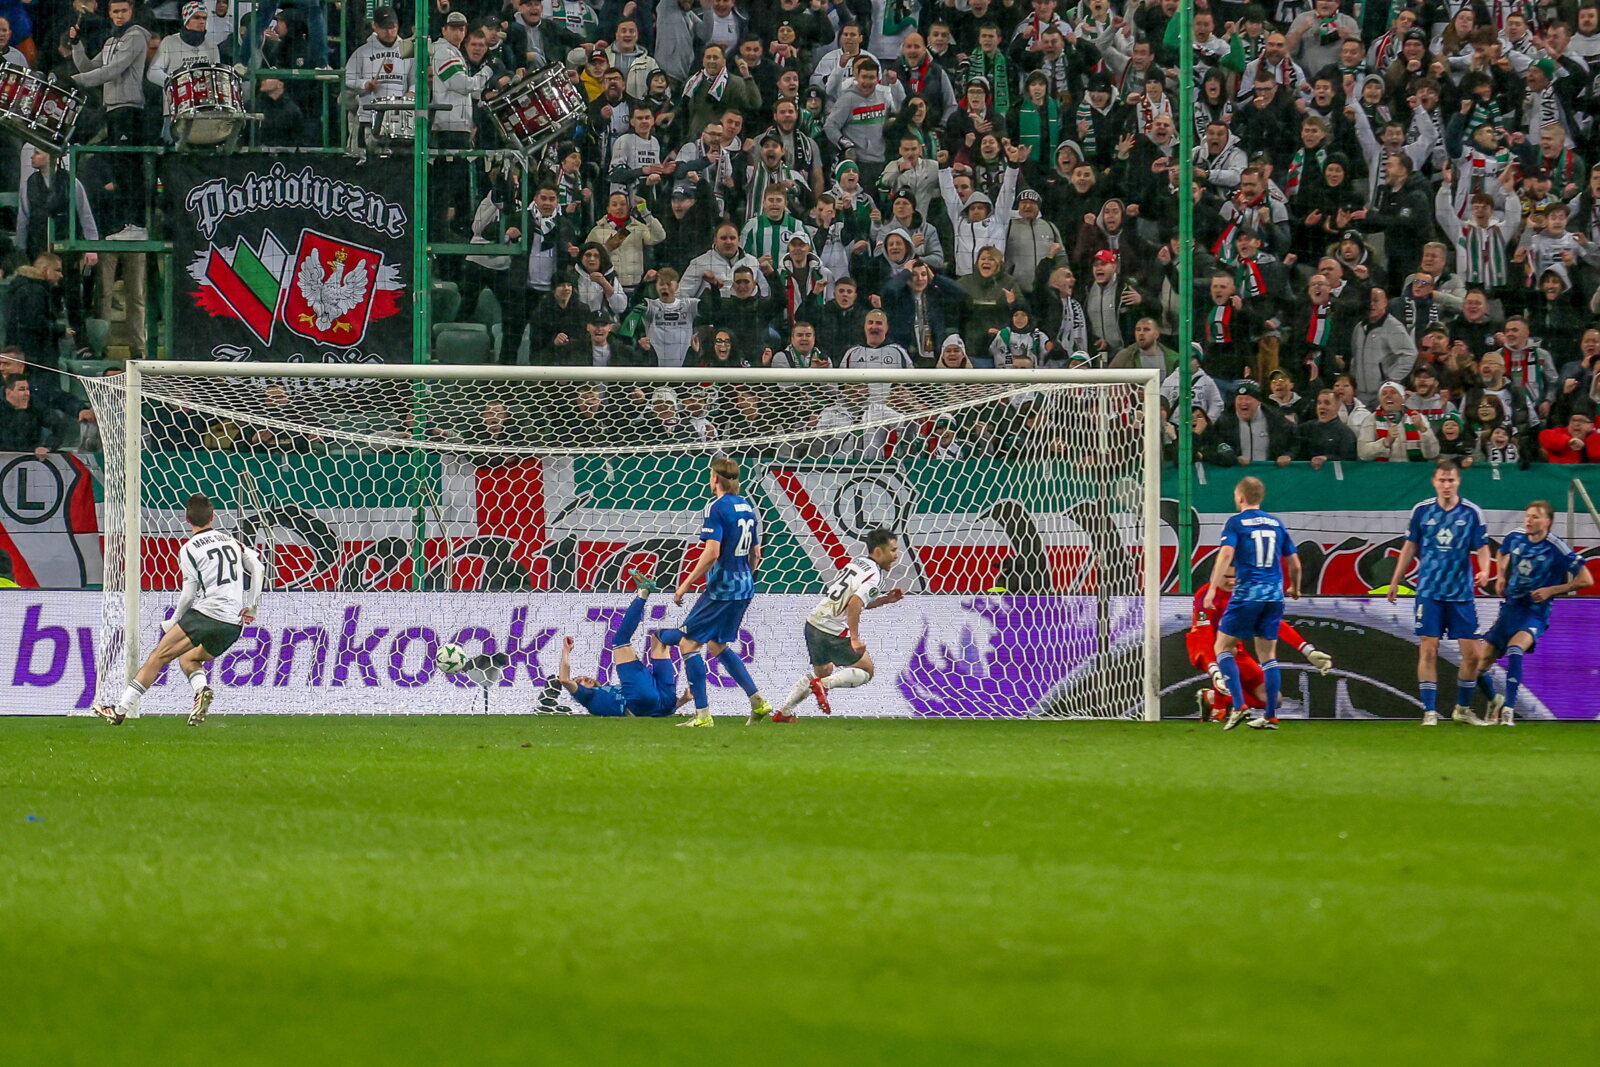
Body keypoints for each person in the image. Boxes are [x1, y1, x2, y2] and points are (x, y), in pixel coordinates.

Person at [95, 494, 264, 726]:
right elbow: (258, 566)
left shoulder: (190, 548)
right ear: (213, 517)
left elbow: (189, 592)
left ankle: (119, 711)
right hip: (233, 623)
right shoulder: (231, 540)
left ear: (186, 518)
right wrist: (252, 605)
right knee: (189, 658)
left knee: (158, 657)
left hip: (206, 614)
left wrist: (174, 619)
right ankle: (201, 690)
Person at [1386, 458, 1491, 726]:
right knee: (1428, 649)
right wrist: (1396, 579)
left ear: (1458, 482)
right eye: (1442, 480)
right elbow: (1409, 546)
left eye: (1451, 480)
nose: (1446, 485)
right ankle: (1429, 711)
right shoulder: (1422, 511)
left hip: (1461, 593)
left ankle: (1463, 709)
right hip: (1429, 591)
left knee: (1473, 655)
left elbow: (1482, 546)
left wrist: (1484, 570)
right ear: (1434, 482)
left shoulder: (1471, 512)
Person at [669, 457, 772, 726]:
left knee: (688, 643)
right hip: (744, 587)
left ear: (715, 478)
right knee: (717, 644)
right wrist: (747, 577)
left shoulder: (715, 507)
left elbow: (712, 552)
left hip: (722, 588)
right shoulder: (747, 507)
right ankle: (758, 702)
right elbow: (756, 553)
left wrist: (685, 584)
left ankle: (702, 715)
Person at [1474, 501, 1593, 726]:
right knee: (1478, 665)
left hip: (1535, 612)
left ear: (1547, 522)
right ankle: (1494, 701)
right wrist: (1500, 576)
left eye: (1535, 517)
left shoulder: (1557, 548)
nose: (1528, 520)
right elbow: (1502, 551)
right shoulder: (1515, 537)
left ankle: (1509, 709)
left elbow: (1587, 579)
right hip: (1510, 608)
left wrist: (1553, 590)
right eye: (1527, 516)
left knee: (1516, 649)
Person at [770, 527, 907, 721]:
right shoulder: (875, 576)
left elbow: (854, 601)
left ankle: (784, 712)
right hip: (831, 630)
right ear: (878, 551)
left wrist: (885, 600)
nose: (896, 556)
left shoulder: (857, 564)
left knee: (822, 672)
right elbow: (854, 604)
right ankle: (824, 686)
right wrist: (855, 638)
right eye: (893, 550)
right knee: (866, 670)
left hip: (814, 623)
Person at [1205, 476, 1303, 730]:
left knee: (1223, 648)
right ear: (1261, 497)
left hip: (1248, 593)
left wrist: (1212, 589)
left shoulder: (1236, 522)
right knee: (1268, 656)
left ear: (1240, 498)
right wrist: (1295, 586)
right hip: (1274, 596)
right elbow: (1295, 563)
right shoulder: (1277, 523)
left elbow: (1226, 553)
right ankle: (1270, 716)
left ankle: (1239, 707)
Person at [1188, 563, 1333, 724]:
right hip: (1203, 647)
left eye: (1235, 577)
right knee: (1227, 655)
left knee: (1274, 699)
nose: (1232, 581)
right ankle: (1219, 706)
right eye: (1227, 577)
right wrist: (1213, 667)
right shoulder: (1206, 595)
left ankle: (1213, 698)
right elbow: (1203, 635)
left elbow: (1274, 623)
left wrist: (1308, 651)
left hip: (1235, 648)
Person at [556, 571, 686, 717]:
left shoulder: (614, 690)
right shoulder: (588, 697)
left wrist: (683, 701)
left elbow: (660, 711)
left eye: (580, 677)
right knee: (620, 641)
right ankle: (643, 592)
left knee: (659, 640)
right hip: (641, 700)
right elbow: (564, 679)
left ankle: (694, 630)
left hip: (665, 701)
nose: (583, 679)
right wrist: (566, 651)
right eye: (579, 682)